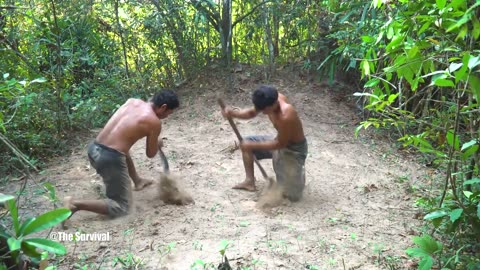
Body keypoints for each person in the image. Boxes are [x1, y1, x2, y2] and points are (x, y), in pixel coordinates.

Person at [64, 89, 179, 219]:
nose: (167, 117)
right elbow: (151, 153)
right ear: (163, 107)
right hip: (108, 159)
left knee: (122, 148)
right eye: (168, 113)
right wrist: (157, 142)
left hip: (94, 148)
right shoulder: (154, 122)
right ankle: (75, 204)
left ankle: (138, 181)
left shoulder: (133, 102)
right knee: (122, 207)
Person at [221, 85, 308, 201]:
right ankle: (249, 182)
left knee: (292, 196)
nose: (262, 113)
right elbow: (252, 112)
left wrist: (251, 145)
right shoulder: (267, 101)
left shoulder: (286, 115)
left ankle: (297, 173)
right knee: (248, 143)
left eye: (264, 110)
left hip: (293, 150)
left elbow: (279, 144)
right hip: (280, 141)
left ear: (273, 104)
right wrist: (233, 114)